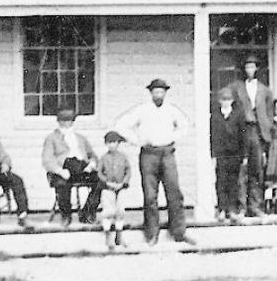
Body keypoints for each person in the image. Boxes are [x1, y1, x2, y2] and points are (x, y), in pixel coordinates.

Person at [116, 77, 193, 245]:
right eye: (155, 92)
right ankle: (151, 233)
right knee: (150, 195)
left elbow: (185, 126)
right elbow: (121, 125)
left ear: (165, 93)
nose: (158, 95)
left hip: (167, 153)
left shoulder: (172, 110)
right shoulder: (142, 110)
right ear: (150, 93)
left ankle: (178, 232)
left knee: (174, 193)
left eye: (161, 92)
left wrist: (173, 138)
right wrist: (137, 140)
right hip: (149, 154)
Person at [223, 55, 274, 218]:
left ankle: (255, 206)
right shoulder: (235, 87)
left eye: (253, 67)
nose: (250, 70)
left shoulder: (265, 90)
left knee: (256, 170)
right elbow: (225, 102)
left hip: (258, 133)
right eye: (247, 67)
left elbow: (269, 114)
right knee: (240, 171)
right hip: (242, 131)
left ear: (257, 69)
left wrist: (266, 132)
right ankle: (240, 206)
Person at [41, 106, 99, 227]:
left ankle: (87, 212)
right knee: (62, 184)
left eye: (70, 121)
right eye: (64, 121)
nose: (67, 124)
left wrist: (92, 164)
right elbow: (47, 160)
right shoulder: (51, 138)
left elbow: (92, 155)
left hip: (81, 167)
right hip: (62, 169)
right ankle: (66, 215)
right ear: (58, 121)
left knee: (100, 180)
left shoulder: (80, 138)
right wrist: (60, 171)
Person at [210, 86, 245, 224]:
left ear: (232, 101)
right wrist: (213, 154)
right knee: (221, 182)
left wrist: (244, 155)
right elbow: (212, 136)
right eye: (223, 100)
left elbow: (243, 135)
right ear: (219, 101)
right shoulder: (216, 116)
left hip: (234, 154)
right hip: (221, 154)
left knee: (233, 182)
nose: (226, 102)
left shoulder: (238, 115)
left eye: (228, 99)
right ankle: (222, 209)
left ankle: (231, 209)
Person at [96, 131, 133, 251]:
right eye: (109, 143)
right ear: (106, 144)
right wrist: (107, 182)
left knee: (120, 211)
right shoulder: (104, 158)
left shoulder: (123, 157)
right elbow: (99, 173)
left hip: (121, 187)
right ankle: (108, 237)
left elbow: (128, 170)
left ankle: (119, 236)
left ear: (118, 144)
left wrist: (124, 182)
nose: (112, 145)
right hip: (108, 188)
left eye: (115, 142)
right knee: (108, 211)